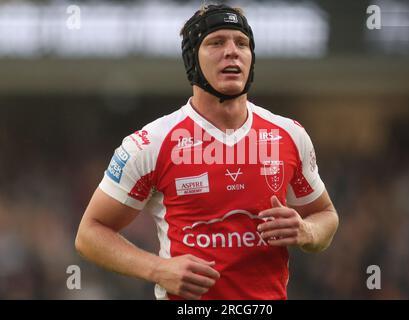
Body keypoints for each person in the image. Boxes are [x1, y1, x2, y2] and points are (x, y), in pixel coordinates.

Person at [75, 3, 339, 300]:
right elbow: (89, 233)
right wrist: (158, 269)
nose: (232, 51)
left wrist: (308, 231)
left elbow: (325, 214)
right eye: (216, 42)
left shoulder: (289, 135)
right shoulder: (152, 143)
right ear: (192, 59)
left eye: (242, 43)